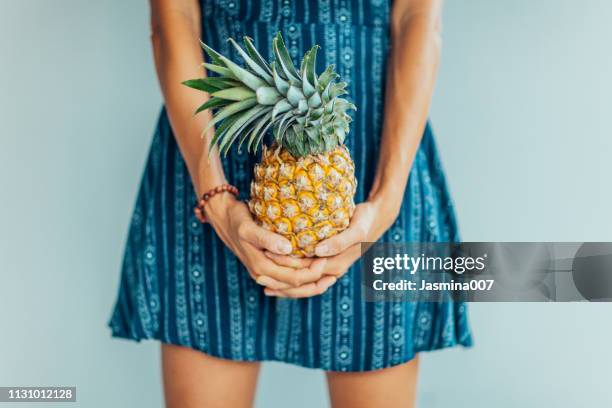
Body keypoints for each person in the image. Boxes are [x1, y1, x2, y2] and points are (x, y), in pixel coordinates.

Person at [109, 0, 472, 406]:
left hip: (374, 154)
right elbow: (173, 15)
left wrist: (386, 202)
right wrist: (214, 195)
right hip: (214, 143)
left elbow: (418, 16)